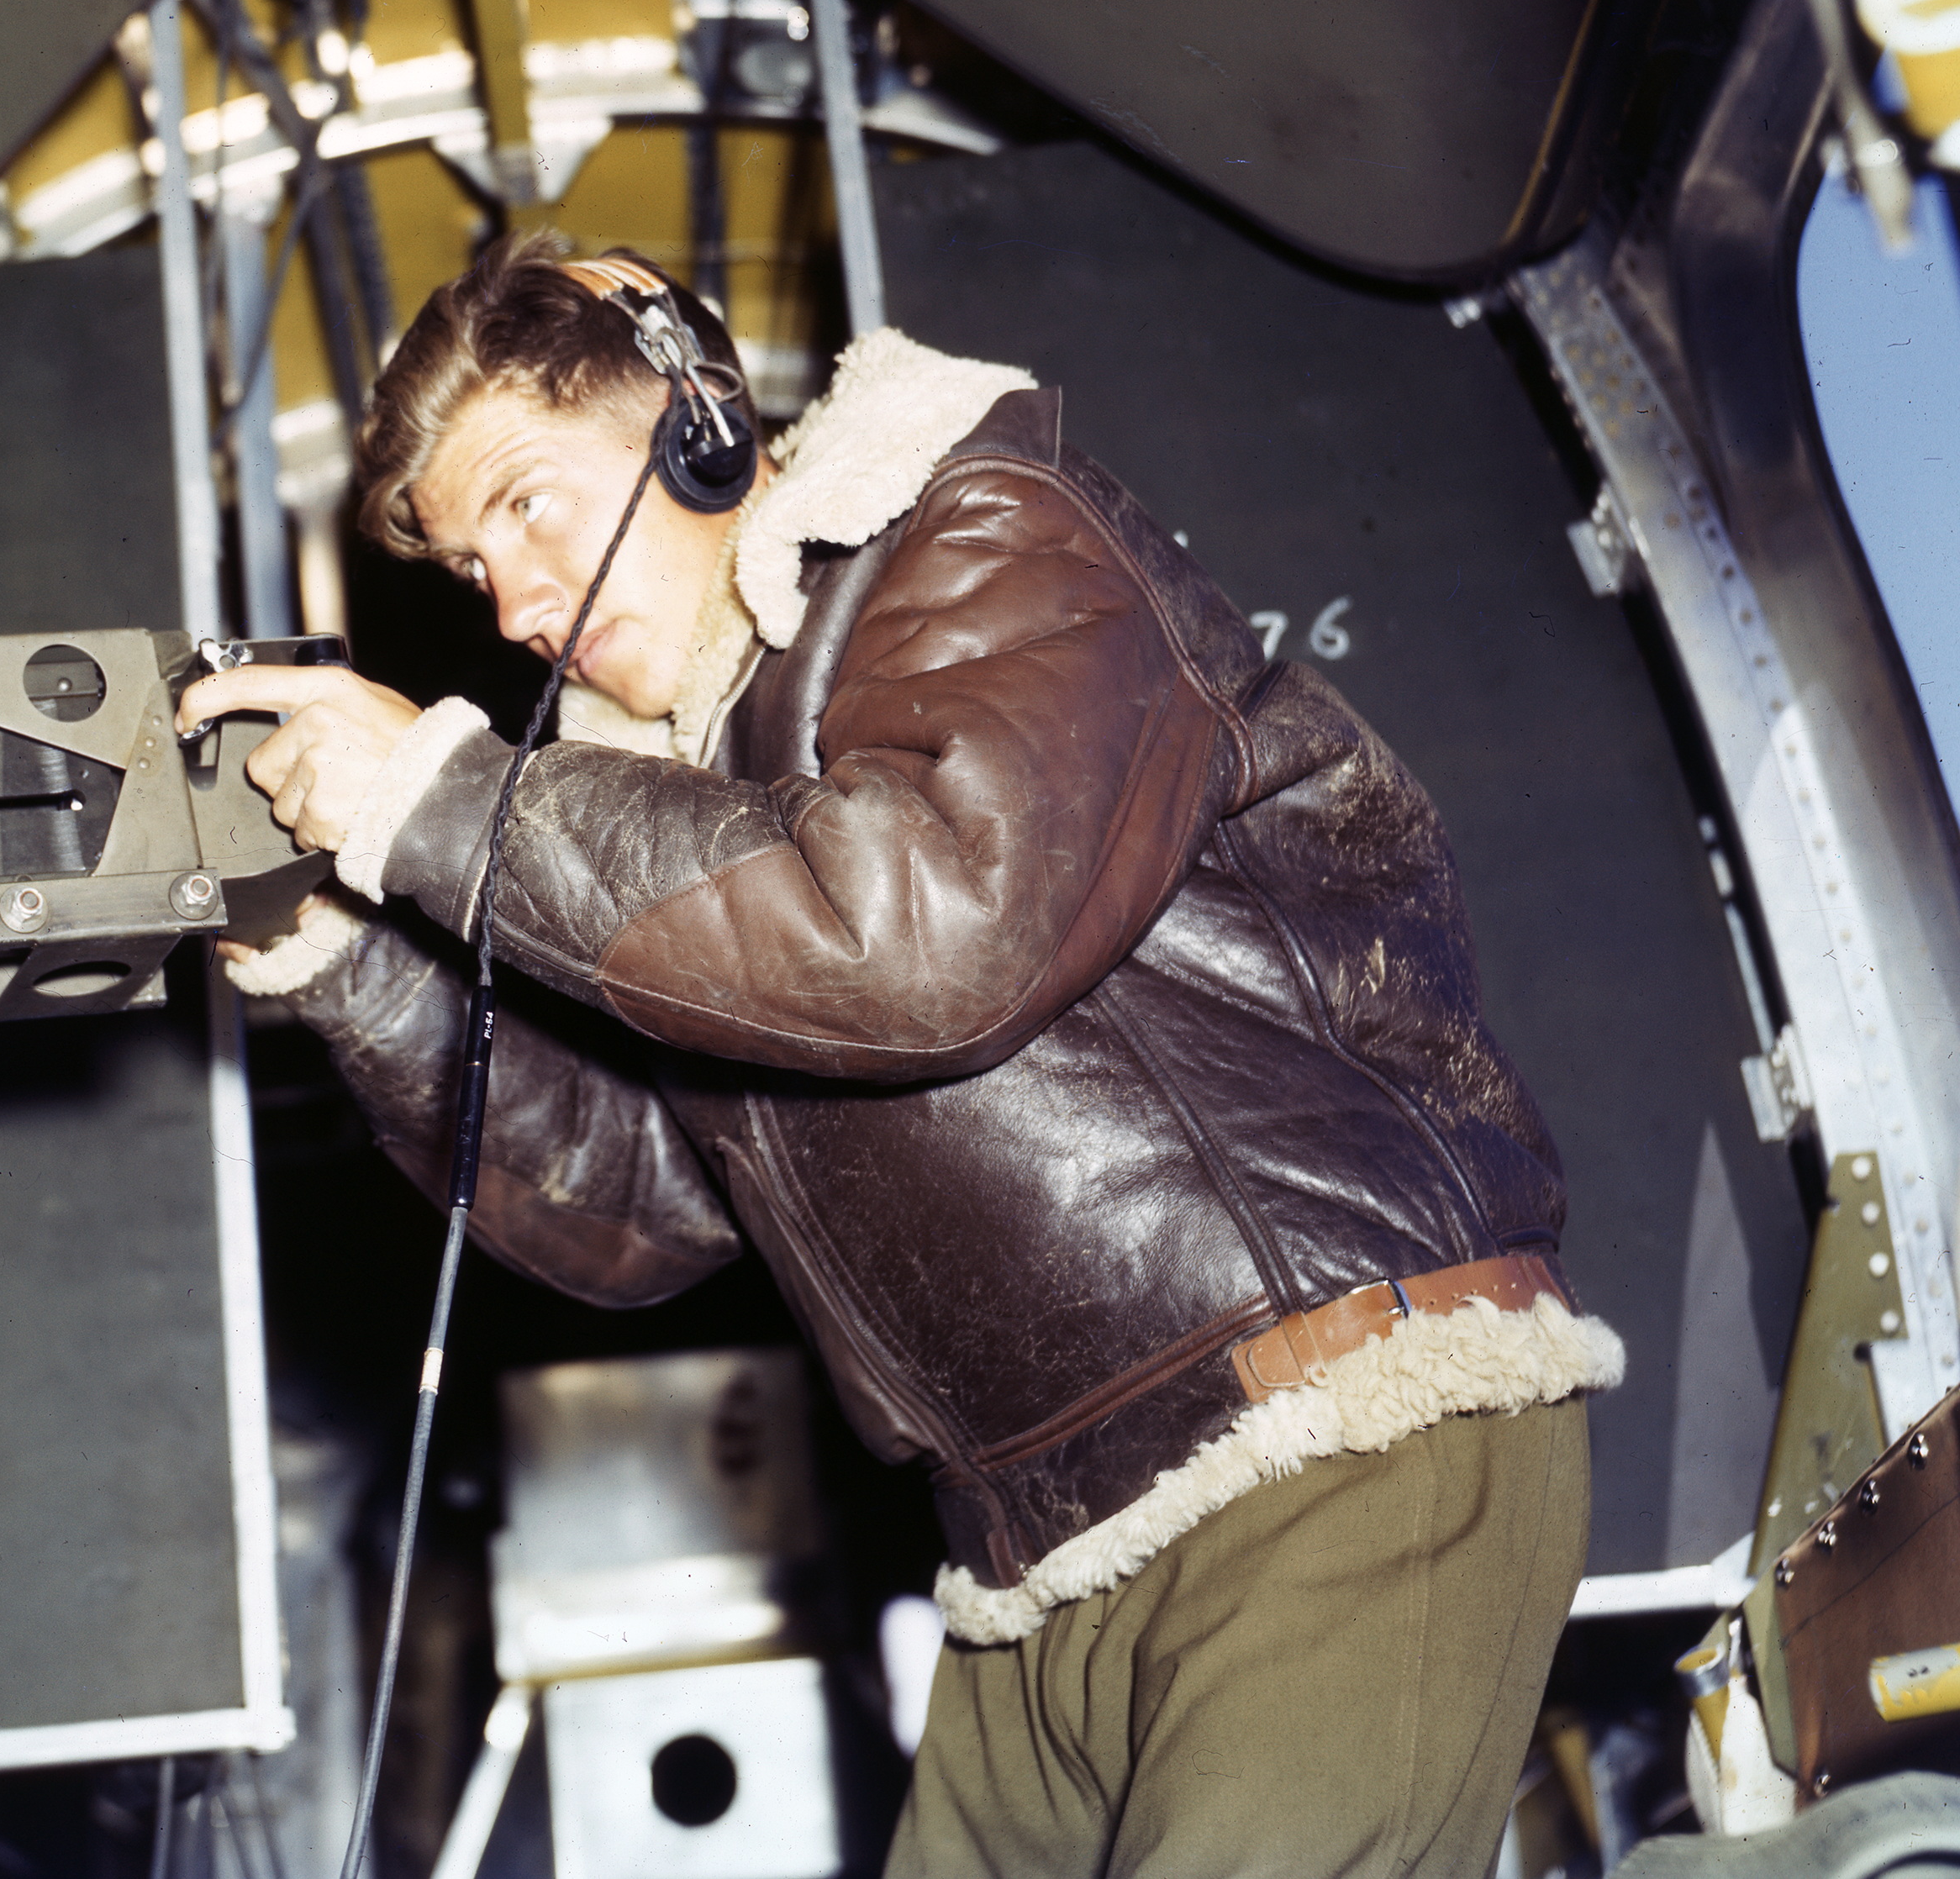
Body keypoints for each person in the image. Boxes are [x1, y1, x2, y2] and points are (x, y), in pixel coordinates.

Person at [177, 234, 1620, 1877]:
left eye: (527, 505)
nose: (511, 606)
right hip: (1043, 1563)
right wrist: (347, 964)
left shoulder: (977, 532)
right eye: (468, 568)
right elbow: (641, 1203)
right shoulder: (681, 818)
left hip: (1336, 1436)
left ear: (693, 412)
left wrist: (446, 803)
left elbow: (931, 929)